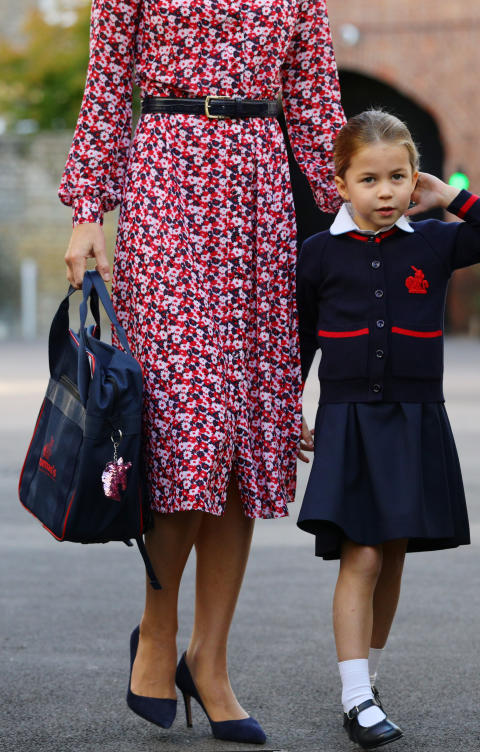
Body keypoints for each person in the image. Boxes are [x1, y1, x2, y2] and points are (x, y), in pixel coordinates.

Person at [58, 0, 345, 744]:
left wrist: (367, 211)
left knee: (244, 437)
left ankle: (209, 660)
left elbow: (317, 104)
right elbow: (107, 83)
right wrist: (89, 207)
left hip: (259, 185)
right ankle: (156, 633)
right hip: (166, 180)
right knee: (188, 425)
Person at [296, 109, 480, 750]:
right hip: (349, 420)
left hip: (416, 416)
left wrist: (450, 196)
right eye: (369, 180)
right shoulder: (317, 254)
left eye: (398, 177)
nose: (386, 192)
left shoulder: (433, 240)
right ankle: (354, 697)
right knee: (361, 553)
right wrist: (290, 403)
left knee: (392, 552)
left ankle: (367, 678)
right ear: (340, 183)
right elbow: (301, 340)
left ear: (414, 179)